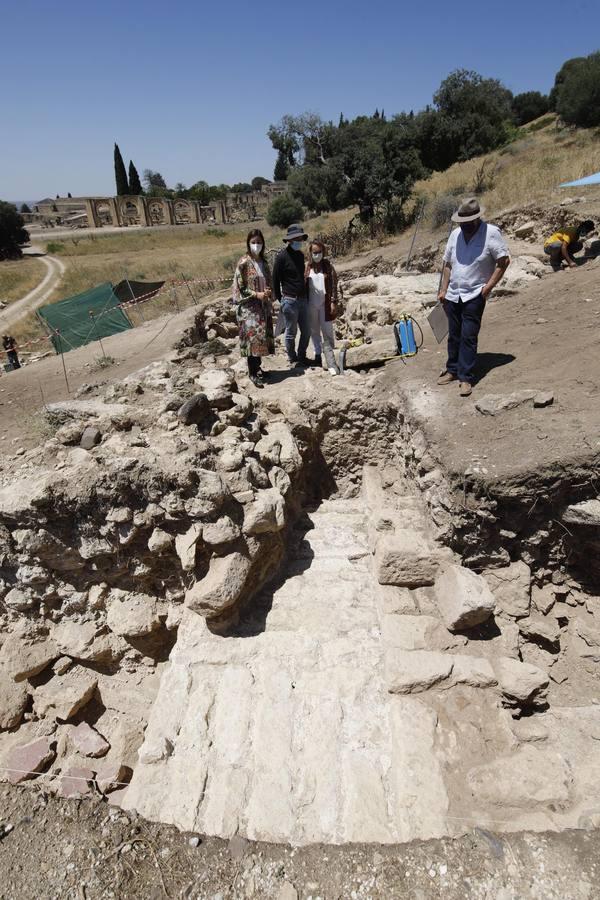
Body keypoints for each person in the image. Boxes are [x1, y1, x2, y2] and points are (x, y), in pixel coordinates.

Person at [437, 198, 510, 398]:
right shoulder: (455, 235)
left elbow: (503, 261)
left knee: (468, 336)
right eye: (461, 222)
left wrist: (487, 288)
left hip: (475, 293)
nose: (463, 225)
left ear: (477, 219)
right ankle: (452, 369)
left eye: (467, 222)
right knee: (454, 334)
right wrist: (443, 290)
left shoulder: (491, 233)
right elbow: (448, 264)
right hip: (453, 294)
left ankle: (465, 377)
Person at [232, 229, 274, 388]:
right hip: (249, 308)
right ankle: (252, 372)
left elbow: (268, 281)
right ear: (248, 243)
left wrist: (268, 292)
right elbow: (241, 287)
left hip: (263, 306)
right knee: (252, 340)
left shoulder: (264, 262)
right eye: (253, 242)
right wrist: (257, 294)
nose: (256, 245)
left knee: (261, 338)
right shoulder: (243, 263)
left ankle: (258, 367)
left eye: (259, 242)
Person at [272, 223, 311, 366]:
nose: (299, 241)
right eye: (296, 239)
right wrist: (281, 300)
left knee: (306, 331)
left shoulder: (300, 255)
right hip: (289, 300)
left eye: (301, 238)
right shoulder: (281, 257)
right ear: (289, 240)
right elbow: (275, 280)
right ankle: (293, 358)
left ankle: (302, 355)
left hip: (303, 300)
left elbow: (301, 276)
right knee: (291, 332)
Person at [305, 239, 339, 375]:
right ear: (310, 253)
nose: (317, 254)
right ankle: (318, 354)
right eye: (314, 252)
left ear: (323, 252)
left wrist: (333, 301)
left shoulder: (328, 266)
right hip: (311, 304)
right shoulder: (307, 267)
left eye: (319, 252)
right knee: (314, 330)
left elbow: (334, 284)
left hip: (325, 304)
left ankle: (330, 354)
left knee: (327, 329)